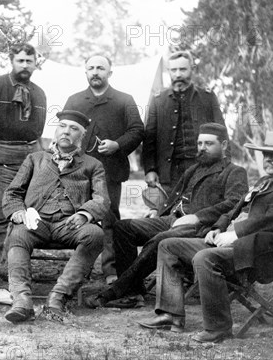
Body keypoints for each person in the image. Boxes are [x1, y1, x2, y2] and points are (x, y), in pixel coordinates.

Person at [138, 131, 273, 343]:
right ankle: (171, 315)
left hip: (260, 254)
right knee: (169, 245)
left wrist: (236, 234)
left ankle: (218, 328)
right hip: (235, 245)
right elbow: (236, 208)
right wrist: (218, 227)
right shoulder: (265, 181)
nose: (267, 159)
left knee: (205, 258)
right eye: (266, 154)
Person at [85, 123, 248, 308]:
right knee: (123, 228)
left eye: (209, 144)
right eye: (200, 143)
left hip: (200, 227)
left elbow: (234, 203)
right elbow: (174, 198)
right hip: (172, 219)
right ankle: (134, 292)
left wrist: (199, 217)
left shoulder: (234, 172)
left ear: (224, 145)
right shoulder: (194, 169)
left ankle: (117, 291)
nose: (202, 148)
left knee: (160, 240)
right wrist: (157, 212)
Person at [2, 110, 109, 323]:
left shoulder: (92, 165)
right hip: (35, 223)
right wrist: (18, 212)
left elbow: (102, 199)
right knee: (17, 234)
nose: (66, 132)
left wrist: (85, 214)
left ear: (82, 136)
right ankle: (22, 301)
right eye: (62, 126)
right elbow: (12, 192)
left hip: (69, 225)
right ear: (56, 130)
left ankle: (58, 297)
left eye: (74, 128)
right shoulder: (35, 159)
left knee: (95, 234)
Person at [64, 55, 144, 284]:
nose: (95, 72)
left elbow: (137, 130)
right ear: (85, 72)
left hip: (110, 169)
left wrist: (117, 144)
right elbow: (64, 132)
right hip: (77, 172)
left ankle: (111, 270)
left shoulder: (123, 100)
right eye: (91, 68)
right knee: (80, 218)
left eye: (101, 68)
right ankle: (80, 270)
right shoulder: (75, 100)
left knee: (110, 220)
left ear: (110, 72)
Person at [0, 43, 47, 287]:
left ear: (36, 63)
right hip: (2, 158)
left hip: (32, 157)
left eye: (29, 61)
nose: (25, 66)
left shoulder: (39, 93)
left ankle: (18, 267)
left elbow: (39, 126)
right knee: (0, 214)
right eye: (20, 61)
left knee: (30, 213)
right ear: (11, 61)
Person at [143, 51, 225, 195]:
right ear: (169, 71)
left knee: (201, 211)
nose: (178, 74)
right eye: (173, 70)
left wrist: (224, 167)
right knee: (167, 214)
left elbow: (221, 133)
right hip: (169, 172)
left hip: (203, 169)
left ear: (192, 69)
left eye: (183, 69)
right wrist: (150, 169)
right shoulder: (158, 100)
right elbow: (149, 140)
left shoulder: (207, 97)